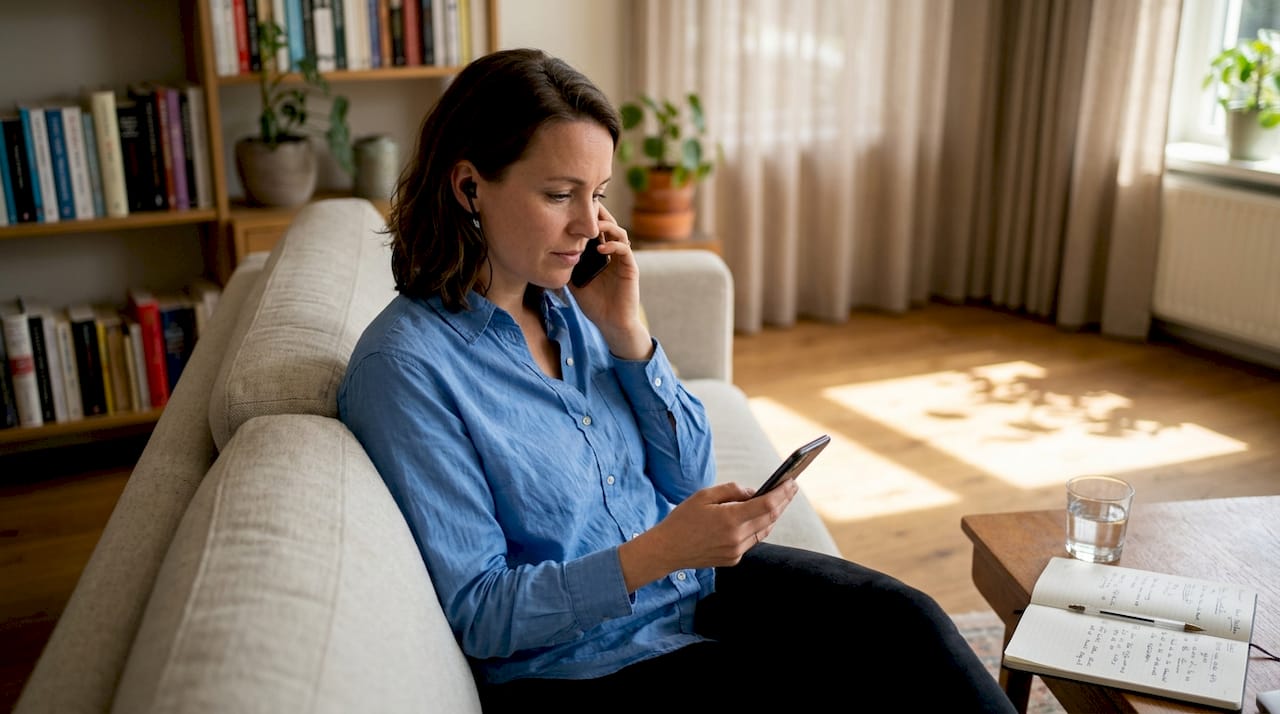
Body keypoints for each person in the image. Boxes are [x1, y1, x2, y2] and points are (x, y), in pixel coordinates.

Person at [338, 47, 1016, 712]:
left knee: (905, 621)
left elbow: (687, 479)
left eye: (598, 195)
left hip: (691, 588)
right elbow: (483, 613)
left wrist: (627, 333)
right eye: (559, 194)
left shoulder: (571, 301)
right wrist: (658, 552)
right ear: (468, 188)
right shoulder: (405, 370)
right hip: (582, 665)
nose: (588, 226)